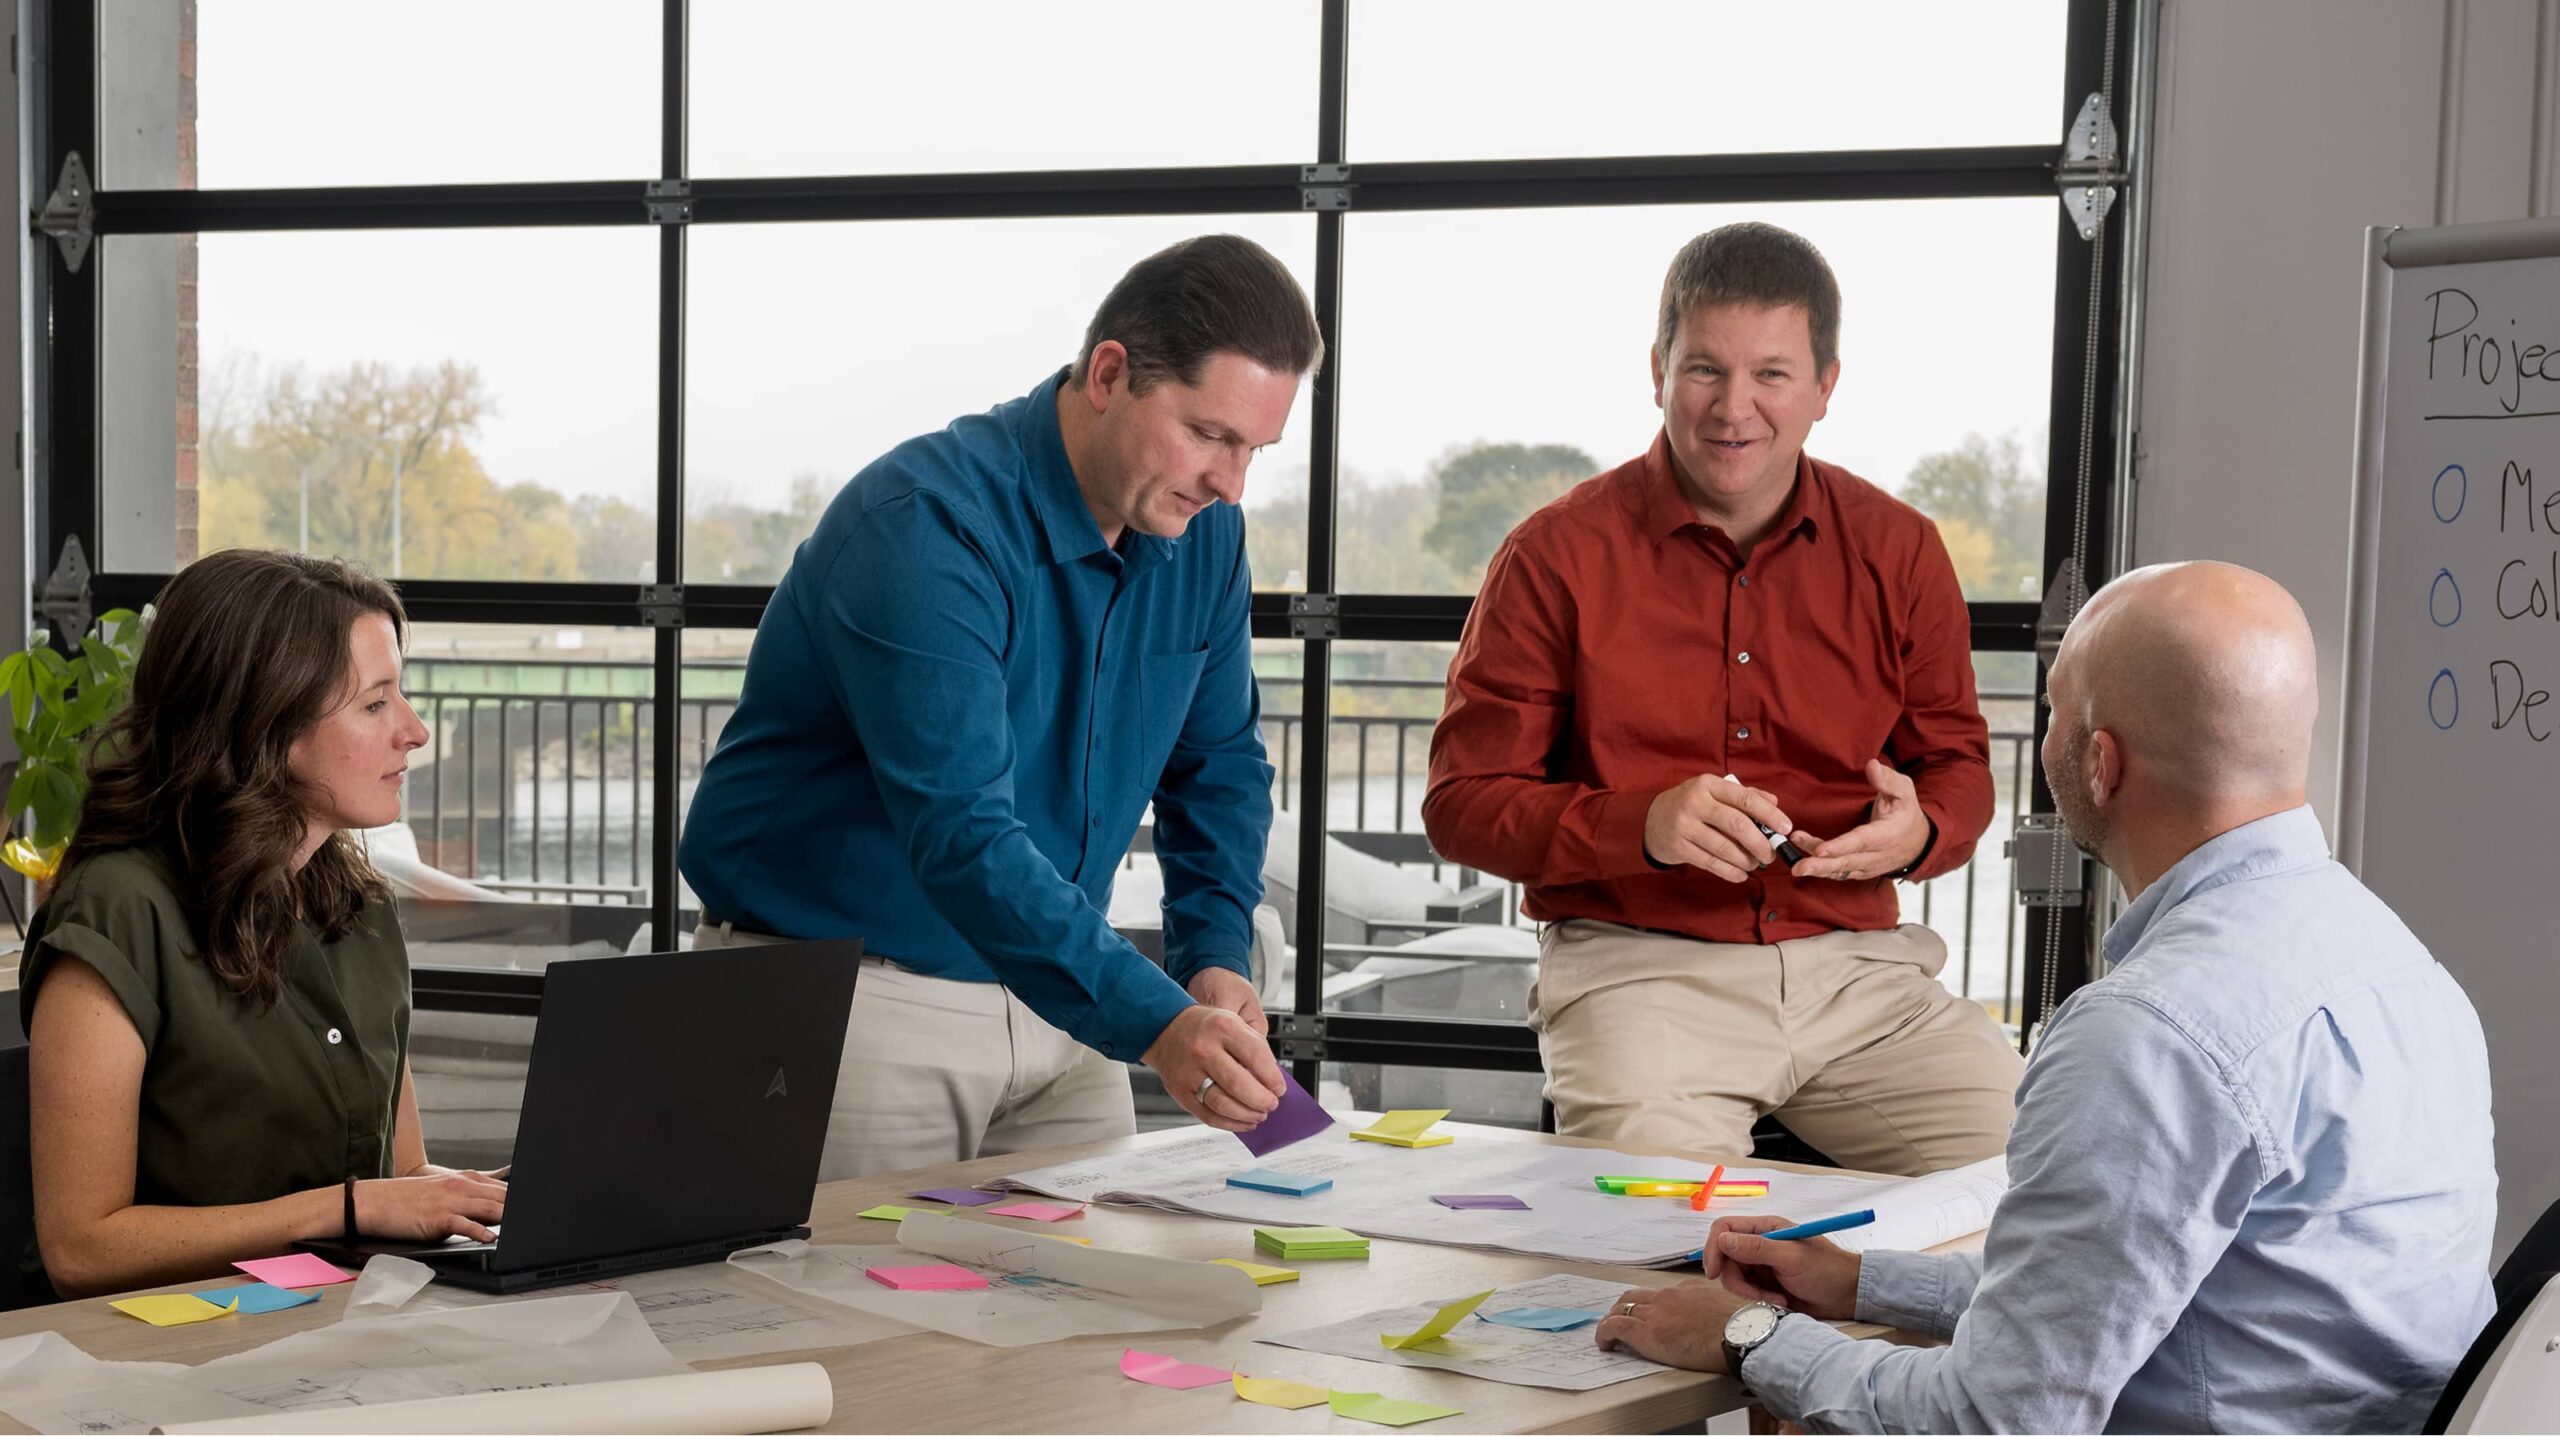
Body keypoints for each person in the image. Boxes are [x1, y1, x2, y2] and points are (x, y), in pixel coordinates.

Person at [1593, 561, 2498, 1433]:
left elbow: (1994, 1419)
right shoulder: (2393, 959)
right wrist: (1862, 1283)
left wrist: (1747, 1337)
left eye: (2057, 709)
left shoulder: (2147, 1035)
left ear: (2101, 763)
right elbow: (2134, 1295)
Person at [678, 235, 1321, 1179]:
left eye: (1254, 449)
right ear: (1110, 373)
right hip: (854, 998)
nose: (1231, 483)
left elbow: (1217, 766)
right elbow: (964, 835)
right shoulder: (924, 526)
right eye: (1210, 434)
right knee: (848, 1323)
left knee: (1092, 1311)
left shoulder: (1204, 534)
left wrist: (1213, 958)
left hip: (1066, 1002)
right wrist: (1156, 1018)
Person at [1423, 222, 2020, 1174]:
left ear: (1827, 385)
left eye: (1772, 375)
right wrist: (1643, 826)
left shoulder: (1901, 550)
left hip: (1861, 978)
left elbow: (1957, 767)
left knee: (2043, 1190)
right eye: (1704, 369)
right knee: (1651, 1253)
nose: (1733, 408)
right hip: (1639, 972)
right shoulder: (1555, 555)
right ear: (1657, 369)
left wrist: (1923, 832)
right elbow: (1461, 808)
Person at [22, 549, 509, 1299]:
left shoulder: (361, 905)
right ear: (266, 721)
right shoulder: (119, 909)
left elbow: (402, 1177)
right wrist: (344, 1211)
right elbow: (82, 1248)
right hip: (180, 1360)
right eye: (375, 704)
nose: (414, 731)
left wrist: (509, 1199)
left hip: (347, 1327)